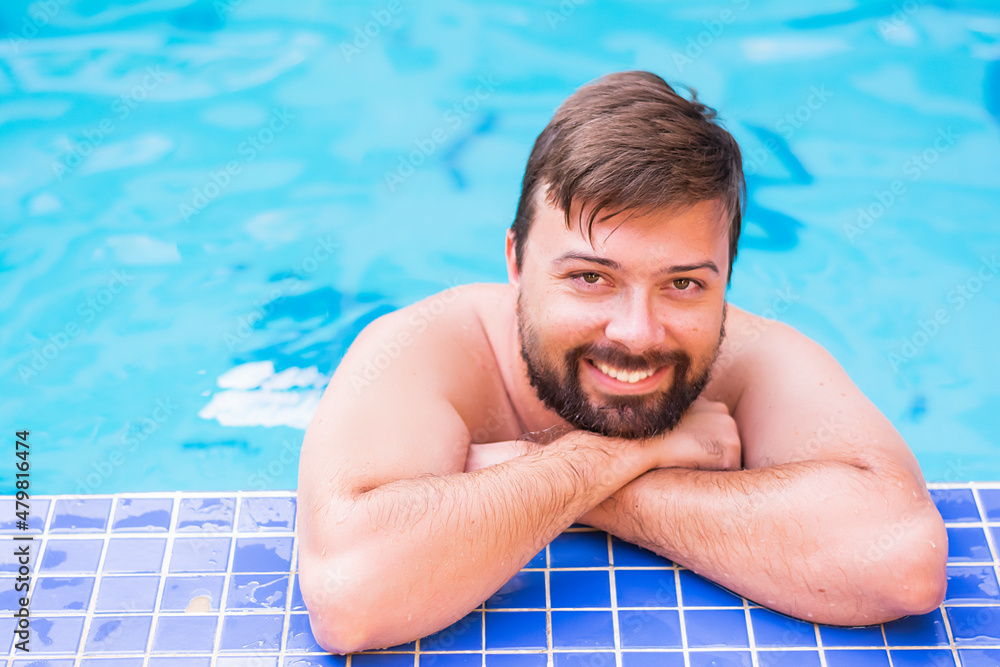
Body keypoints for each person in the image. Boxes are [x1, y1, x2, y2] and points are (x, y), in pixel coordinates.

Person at [296, 70, 948, 654]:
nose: (637, 332)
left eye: (684, 283)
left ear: (726, 280)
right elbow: (351, 598)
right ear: (517, 263)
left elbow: (902, 559)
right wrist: (611, 456)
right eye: (590, 277)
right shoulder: (424, 350)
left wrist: (541, 479)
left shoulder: (753, 358)